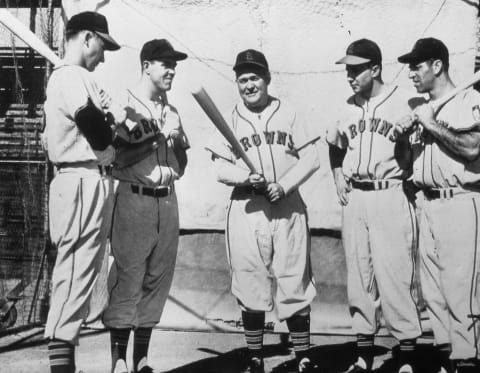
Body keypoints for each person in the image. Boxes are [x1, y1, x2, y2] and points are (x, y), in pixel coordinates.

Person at [207, 49, 320, 373]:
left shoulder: (291, 113)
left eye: (254, 77)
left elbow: (311, 157)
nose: (248, 85)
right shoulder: (229, 117)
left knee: (294, 280)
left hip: (288, 206)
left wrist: (283, 184)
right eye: (242, 79)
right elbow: (219, 167)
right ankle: (255, 357)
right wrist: (247, 177)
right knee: (250, 281)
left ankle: (304, 357)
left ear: (267, 79)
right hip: (247, 207)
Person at [327, 39, 422, 373]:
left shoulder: (404, 102)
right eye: (348, 70)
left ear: (376, 69)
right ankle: (363, 354)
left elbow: (418, 155)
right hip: (357, 196)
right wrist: (338, 174)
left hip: (391, 192)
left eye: (356, 69)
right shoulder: (346, 106)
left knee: (395, 273)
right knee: (360, 275)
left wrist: (407, 139)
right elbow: (334, 144)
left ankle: (408, 356)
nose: (350, 76)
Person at [42, 11, 122, 373]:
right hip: (78, 180)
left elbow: (109, 123)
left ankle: (66, 367)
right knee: (73, 277)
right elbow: (96, 127)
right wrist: (108, 125)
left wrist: (111, 121)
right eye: (101, 46)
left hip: (89, 179)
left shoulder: (78, 77)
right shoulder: (70, 74)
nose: (103, 56)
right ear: (87, 37)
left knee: (81, 277)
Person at [102, 39, 189, 373]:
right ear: (146, 65)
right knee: (128, 277)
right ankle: (119, 361)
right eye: (165, 63)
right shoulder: (125, 104)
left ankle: (141, 360)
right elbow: (117, 159)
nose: (171, 70)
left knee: (158, 280)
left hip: (167, 201)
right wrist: (160, 138)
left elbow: (182, 164)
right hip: (134, 197)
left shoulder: (173, 111)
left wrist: (177, 143)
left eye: (174, 65)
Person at [397, 37, 480, 373]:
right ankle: (448, 361)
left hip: (460, 202)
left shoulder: (468, 100)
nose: (411, 74)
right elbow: (407, 164)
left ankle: (468, 362)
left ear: (437, 65)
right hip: (427, 203)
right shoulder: (423, 107)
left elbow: (473, 148)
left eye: (416, 66)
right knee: (433, 294)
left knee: (462, 292)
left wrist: (431, 123)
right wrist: (404, 136)